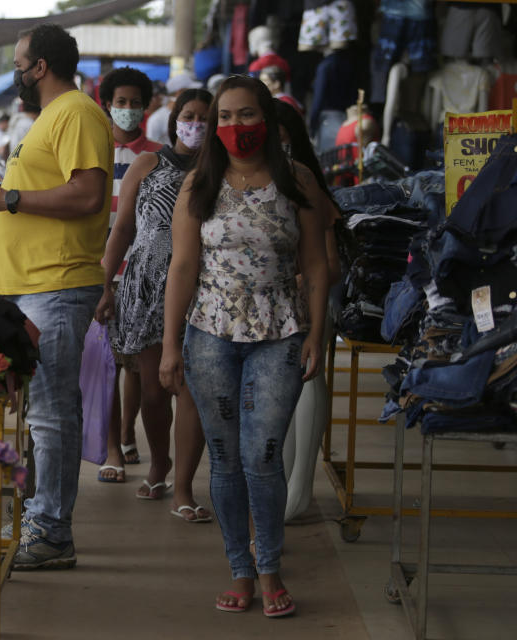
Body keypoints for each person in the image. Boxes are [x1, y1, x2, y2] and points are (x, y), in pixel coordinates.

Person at [159, 75, 329, 616]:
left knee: (262, 454)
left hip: (279, 333)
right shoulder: (199, 182)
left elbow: (317, 265)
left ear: (268, 120)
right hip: (209, 335)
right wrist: (169, 344)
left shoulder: (297, 179)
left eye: (246, 115)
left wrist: (319, 334)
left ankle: (271, 567)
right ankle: (240, 570)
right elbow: (182, 267)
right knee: (226, 458)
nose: (236, 127)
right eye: (225, 118)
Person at [0, 23, 113, 571]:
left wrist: (12, 197)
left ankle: (51, 532)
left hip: (56, 284)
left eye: (21, 63)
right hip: (30, 285)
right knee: (41, 414)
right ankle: (42, 518)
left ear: (40, 67)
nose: (17, 73)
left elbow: (88, 192)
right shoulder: (52, 117)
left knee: (51, 414)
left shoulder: (75, 112)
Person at [96, 88, 215, 522]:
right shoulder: (148, 164)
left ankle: (183, 486)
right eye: (189, 115)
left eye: (205, 117)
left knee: (190, 389)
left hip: (202, 286)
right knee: (152, 388)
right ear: (174, 120)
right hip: (144, 284)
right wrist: (105, 283)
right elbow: (122, 228)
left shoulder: (219, 170)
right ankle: (159, 463)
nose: (196, 124)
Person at [273, 99, 342, 522]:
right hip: (266, 313)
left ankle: (298, 492)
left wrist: (298, 283)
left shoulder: (310, 187)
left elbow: (330, 266)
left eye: (283, 142)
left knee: (307, 387)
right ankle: (278, 488)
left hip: (306, 308)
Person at [95, 66, 162, 483]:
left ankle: (127, 433)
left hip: (143, 272)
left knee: (136, 363)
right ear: (107, 104)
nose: (128, 109)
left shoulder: (156, 155)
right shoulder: (94, 152)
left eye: (135, 102)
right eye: (121, 102)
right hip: (101, 268)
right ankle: (112, 448)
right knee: (107, 363)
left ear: (147, 105)